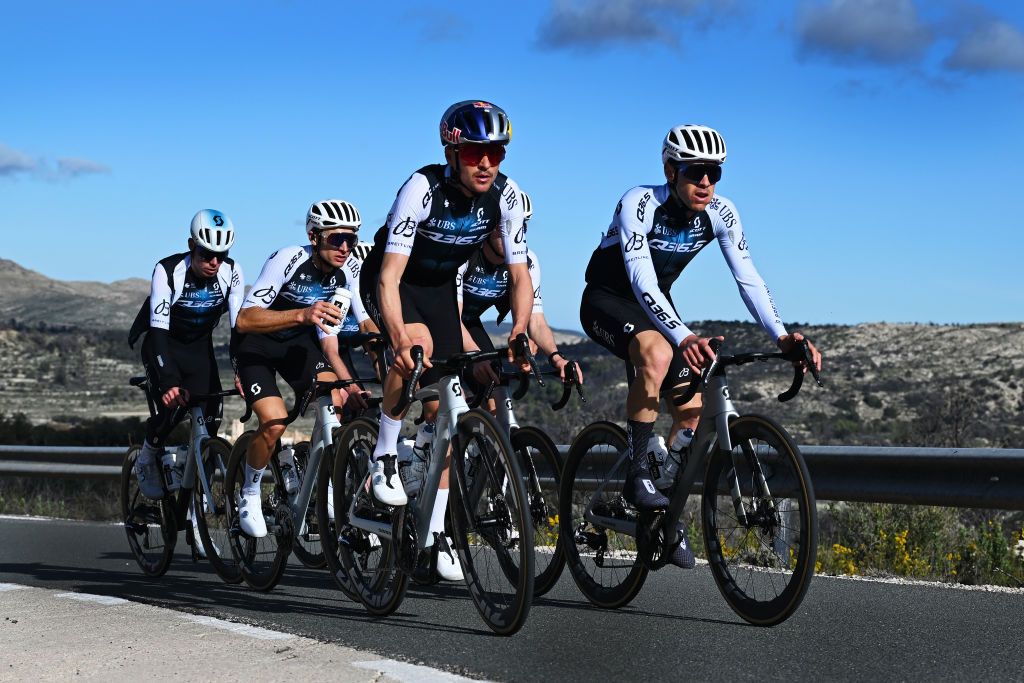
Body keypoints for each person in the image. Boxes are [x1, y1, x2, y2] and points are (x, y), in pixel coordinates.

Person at [579, 124, 823, 568]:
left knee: (690, 413)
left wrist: (783, 336)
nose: (706, 183)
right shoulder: (640, 202)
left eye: (715, 173)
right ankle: (637, 476)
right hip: (608, 298)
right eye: (696, 172)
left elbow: (748, 278)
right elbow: (640, 278)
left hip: (657, 306)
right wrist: (682, 336)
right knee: (657, 353)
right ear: (671, 170)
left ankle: (663, 516)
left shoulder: (722, 213)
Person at [359, 100, 533, 581]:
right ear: (453, 151)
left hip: (438, 289)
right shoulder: (421, 188)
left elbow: (520, 276)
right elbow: (390, 276)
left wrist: (518, 330)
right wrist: (396, 335)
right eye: (477, 152)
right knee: (417, 348)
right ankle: (384, 457)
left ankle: (433, 531)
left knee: (446, 413)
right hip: (392, 282)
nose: (487, 163)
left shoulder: (507, 196)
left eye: (496, 153)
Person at [233, 199, 374, 537]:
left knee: (336, 401)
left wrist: (386, 350)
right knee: (275, 420)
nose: (344, 247)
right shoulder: (288, 259)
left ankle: (314, 483)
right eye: (335, 239)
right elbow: (244, 318)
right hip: (258, 345)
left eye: (351, 240)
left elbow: (365, 322)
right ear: (314, 236)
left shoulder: (349, 268)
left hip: (299, 346)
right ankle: (250, 492)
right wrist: (302, 314)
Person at [129, 209, 244, 504]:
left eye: (221, 254)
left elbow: (240, 330)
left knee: (212, 417)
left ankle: (196, 482)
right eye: (207, 254)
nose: (214, 262)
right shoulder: (168, 271)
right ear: (192, 245)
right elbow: (158, 333)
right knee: (172, 410)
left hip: (198, 349)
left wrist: (241, 370)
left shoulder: (232, 272)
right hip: (163, 345)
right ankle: (147, 456)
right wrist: (168, 381)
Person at [456, 190, 584, 424]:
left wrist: (557, 358)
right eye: (503, 225)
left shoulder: (527, 261)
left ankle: (483, 455)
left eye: (520, 227)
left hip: (468, 323)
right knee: (445, 405)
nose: (511, 234)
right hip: (441, 319)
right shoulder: (464, 253)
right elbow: (450, 316)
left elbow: (535, 320)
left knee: (495, 393)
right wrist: (475, 356)